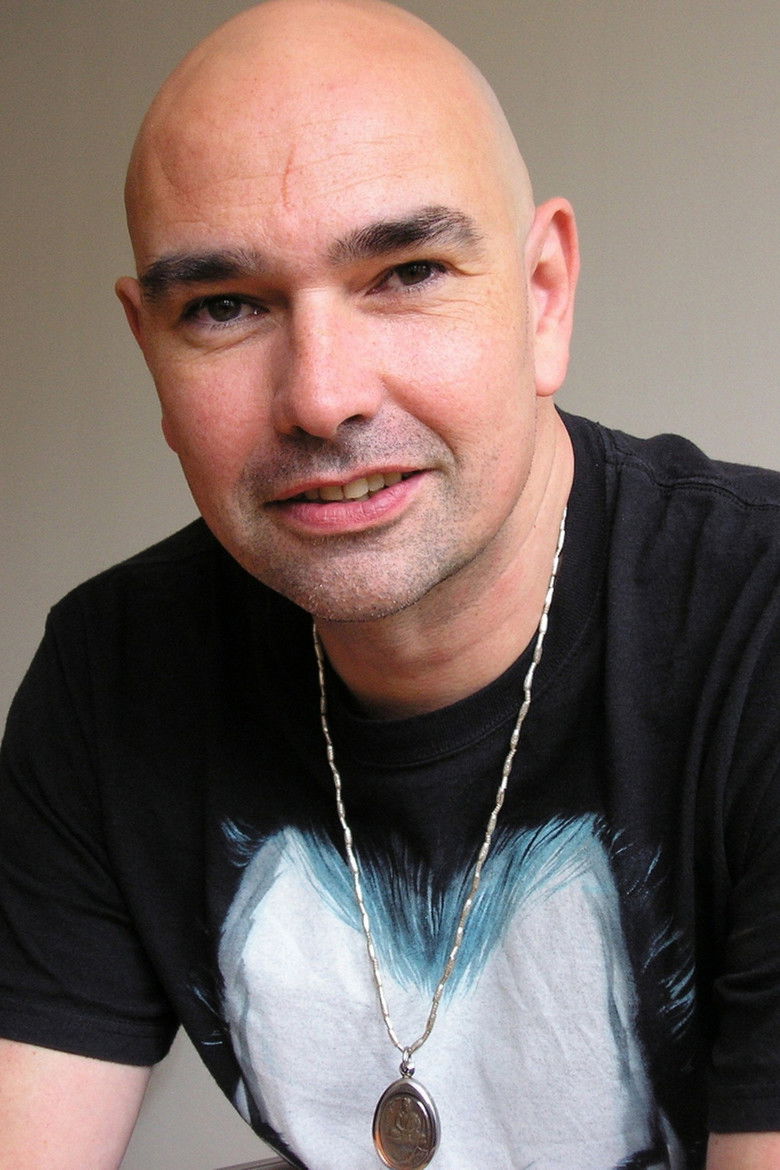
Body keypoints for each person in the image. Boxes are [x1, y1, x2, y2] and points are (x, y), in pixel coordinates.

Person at [0, 1, 778, 1167]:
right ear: (150, 346)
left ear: (544, 294)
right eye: (224, 307)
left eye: (407, 272)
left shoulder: (757, 634)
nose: (323, 397)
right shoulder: (112, 675)